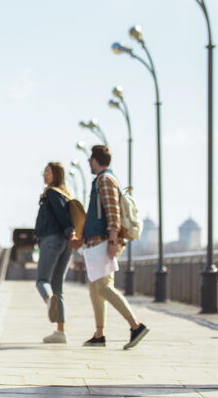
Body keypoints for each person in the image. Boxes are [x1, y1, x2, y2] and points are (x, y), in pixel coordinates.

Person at [69, 145, 149, 349]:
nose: (88, 163)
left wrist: (113, 241)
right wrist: (83, 240)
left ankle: (136, 326)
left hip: (105, 242)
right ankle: (99, 334)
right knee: (95, 289)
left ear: (95, 160)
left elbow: (112, 213)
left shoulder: (105, 180)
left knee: (104, 287)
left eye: (89, 160)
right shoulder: (104, 180)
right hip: (97, 242)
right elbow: (99, 217)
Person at [34, 162, 75, 343]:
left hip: (52, 239)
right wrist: (71, 235)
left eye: (48, 172)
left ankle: (51, 305)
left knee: (42, 281)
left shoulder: (52, 193)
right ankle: (60, 332)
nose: (45, 175)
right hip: (66, 243)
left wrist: (69, 231)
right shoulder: (66, 195)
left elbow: (62, 216)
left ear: (56, 175)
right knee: (58, 287)